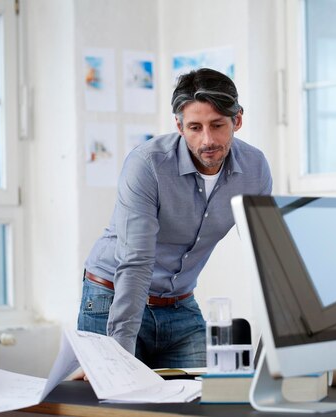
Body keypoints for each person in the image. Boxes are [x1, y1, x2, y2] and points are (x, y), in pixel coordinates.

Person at [77, 68, 273, 369]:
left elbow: (264, 253)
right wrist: (118, 357)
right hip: (113, 296)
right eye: (195, 127)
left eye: (217, 125)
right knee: (119, 404)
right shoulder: (148, 165)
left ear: (237, 120)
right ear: (179, 126)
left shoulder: (255, 167)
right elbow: (136, 260)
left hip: (179, 304)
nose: (207, 139)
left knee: (207, 399)